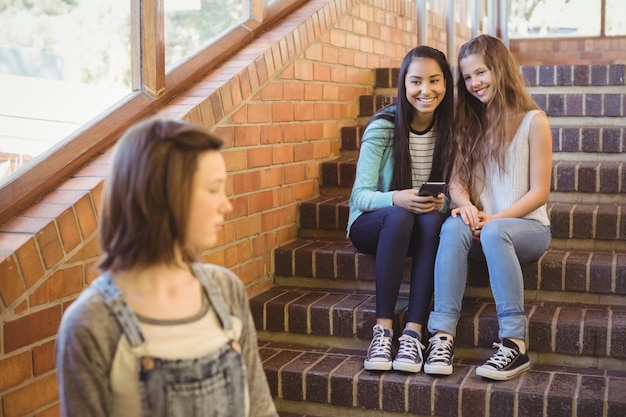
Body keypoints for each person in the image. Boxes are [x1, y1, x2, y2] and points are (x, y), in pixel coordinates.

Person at [55, 118, 278, 417]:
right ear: (165, 194)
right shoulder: (90, 323)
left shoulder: (226, 290)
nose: (227, 205)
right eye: (214, 189)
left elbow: (261, 410)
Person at [423, 34, 552, 381]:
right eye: (467, 77)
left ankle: (515, 344)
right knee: (451, 225)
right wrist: (464, 206)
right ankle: (442, 337)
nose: (475, 83)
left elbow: (540, 192)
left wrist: (493, 219)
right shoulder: (468, 124)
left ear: (500, 69)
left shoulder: (533, 121)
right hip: (484, 227)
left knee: (495, 232)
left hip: (527, 229)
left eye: (481, 73)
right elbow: (456, 184)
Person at [347, 46, 454, 373]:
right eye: (416, 81)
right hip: (374, 225)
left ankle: (413, 333)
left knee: (433, 220)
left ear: (446, 84)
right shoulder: (383, 126)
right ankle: (383, 331)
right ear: (403, 85)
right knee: (399, 214)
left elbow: (456, 192)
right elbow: (360, 197)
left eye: (434, 81)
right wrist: (397, 198)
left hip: (420, 225)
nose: (426, 90)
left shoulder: (450, 129)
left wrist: (441, 202)